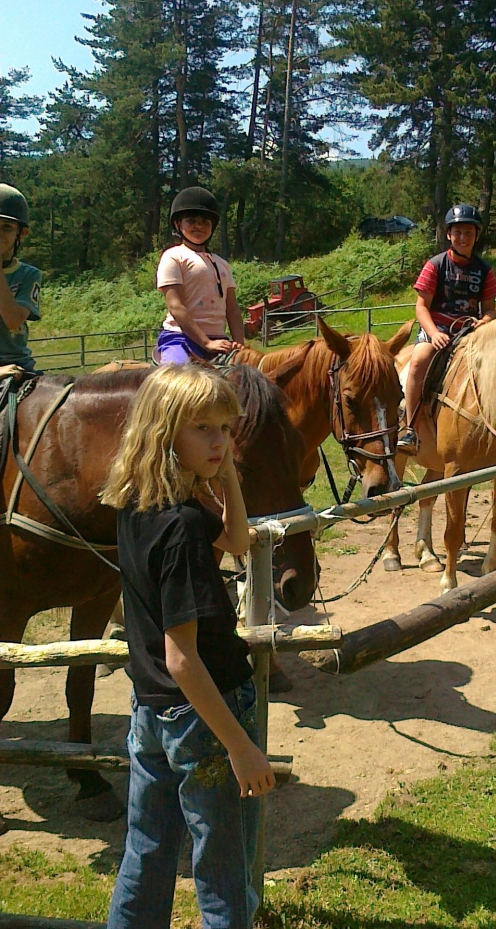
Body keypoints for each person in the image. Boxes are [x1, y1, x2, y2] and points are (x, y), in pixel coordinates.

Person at [101, 364, 273, 929]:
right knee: (223, 868)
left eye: (225, 427)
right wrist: (240, 748)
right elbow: (184, 658)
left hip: (150, 710)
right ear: (165, 430)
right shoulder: (179, 527)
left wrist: (227, 481)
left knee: (146, 849)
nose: (220, 440)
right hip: (205, 714)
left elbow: (237, 540)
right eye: (203, 428)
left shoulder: (141, 503)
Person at [397, 204, 496, 455]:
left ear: (476, 235)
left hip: (469, 332)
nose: (463, 238)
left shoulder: (484, 270)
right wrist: (434, 334)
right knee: (420, 361)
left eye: (469, 233)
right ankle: (410, 428)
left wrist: (483, 323)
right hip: (438, 328)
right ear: (448, 235)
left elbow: (490, 310)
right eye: (458, 233)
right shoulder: (435, 265)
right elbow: (421, 307)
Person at [155, 186, 244, 365]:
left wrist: (240, 344)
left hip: (220, 341)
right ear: (177, 224)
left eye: (205, 222)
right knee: (177, 379)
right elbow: (176, 306)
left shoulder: (222, 264)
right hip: (180, 339)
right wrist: (206, 342)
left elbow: (232, 309)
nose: (199, 226)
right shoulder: (173, 256)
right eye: (191, 221)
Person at [0, 183, 41, 376]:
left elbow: (13, 320)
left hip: (19, 363)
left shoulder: (29, 275)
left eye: (6, 227)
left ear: (21, 234)